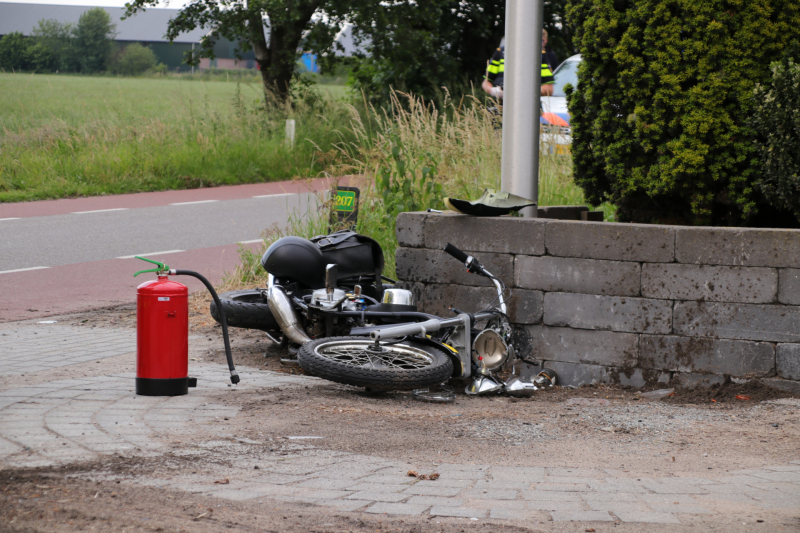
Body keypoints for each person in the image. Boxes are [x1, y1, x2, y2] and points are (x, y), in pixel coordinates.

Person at [482, 30, 558, 99]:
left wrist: (523, 92)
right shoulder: (500, 52)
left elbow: (549, 89)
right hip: (498, 106)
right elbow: (486, 82)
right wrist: (493, 91)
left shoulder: (538, 55)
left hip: (527, 106)